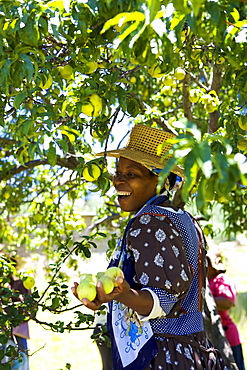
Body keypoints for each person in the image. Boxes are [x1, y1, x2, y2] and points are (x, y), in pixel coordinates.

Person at [72, 124, 228, 370]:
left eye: (131, 174)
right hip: (186, 349)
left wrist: (121, 294)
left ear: (161, 180)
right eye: (117, 172)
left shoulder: (150, 221)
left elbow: (162, 299)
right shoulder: (182, 218)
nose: (117, 181)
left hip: (161, 354)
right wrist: (107, 296)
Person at [207, 249, 246, 370]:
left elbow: (228, 302)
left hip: (227, 334)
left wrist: (206, 299)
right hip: (212, 336)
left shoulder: (222, 279)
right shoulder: (206, 281)